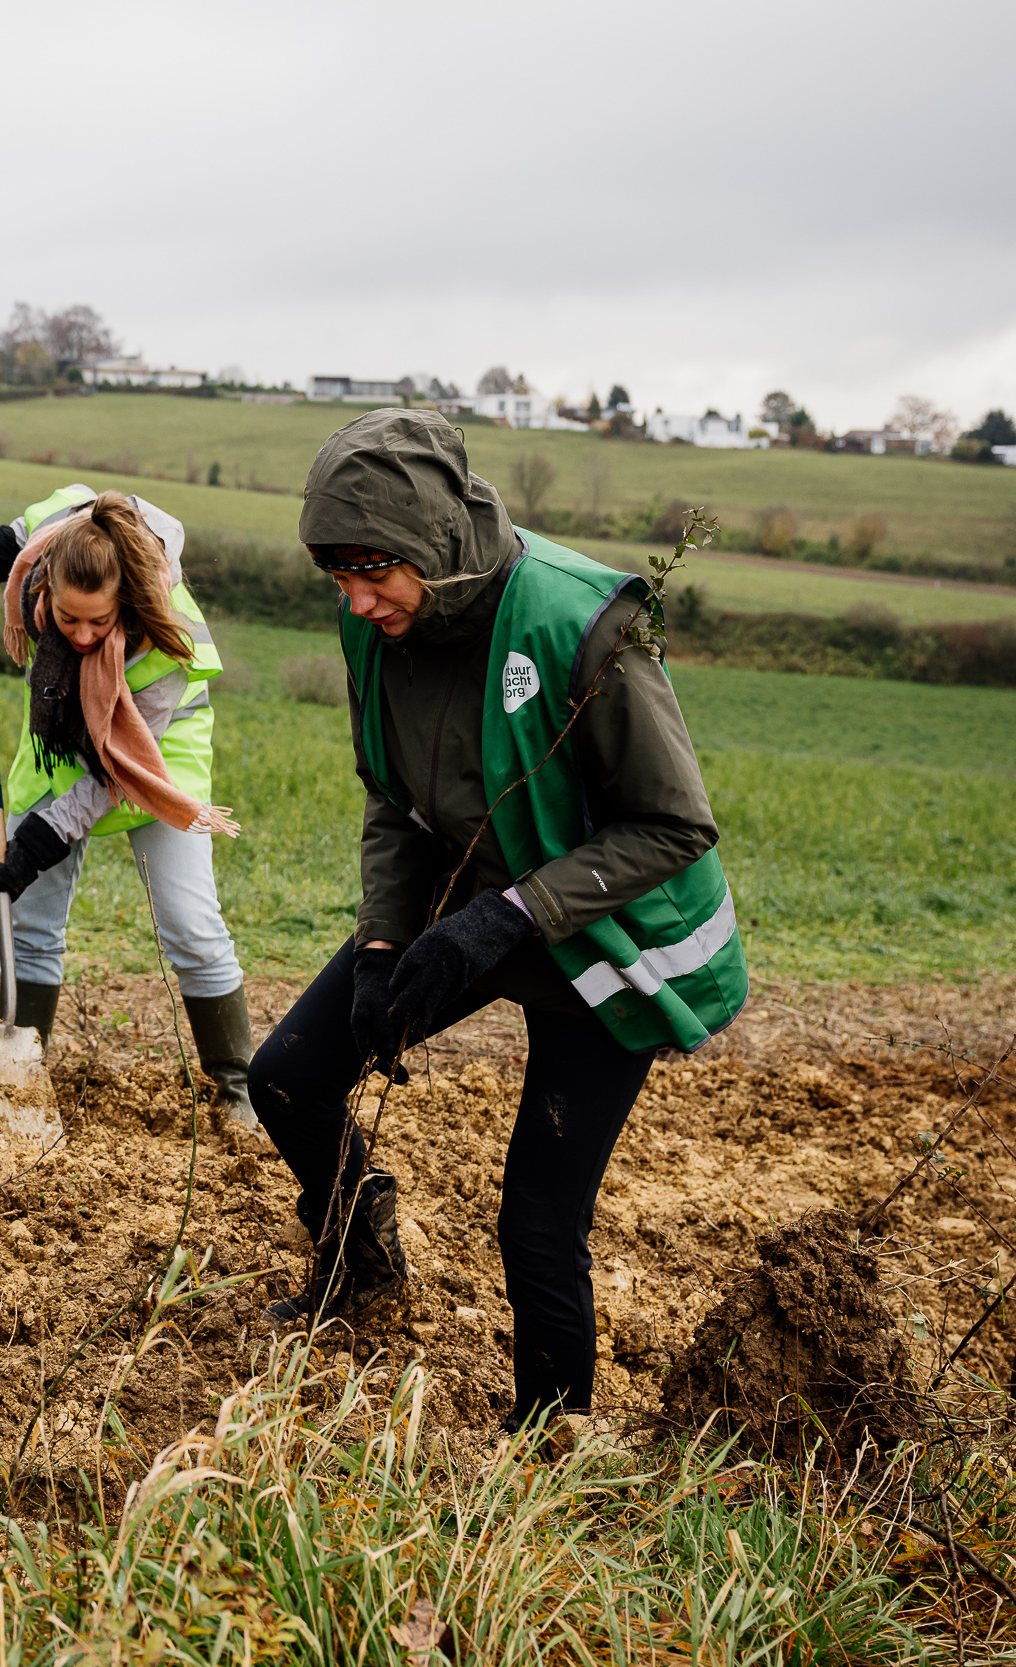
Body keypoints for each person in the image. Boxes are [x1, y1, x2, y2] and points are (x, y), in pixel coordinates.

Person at [249, 409, 745, 1435]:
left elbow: (673, 823)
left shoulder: (580, 624)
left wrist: (509, 917)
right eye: (336, 575)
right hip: (482, 891)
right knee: (288, 1076)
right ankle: (362, 1263)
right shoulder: (371, 625)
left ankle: (548, 1442)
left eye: (372, 570)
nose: (354, 598)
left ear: (430, 538)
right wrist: (386, 947)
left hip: (609, 931)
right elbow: (391, 796)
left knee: (535, 1220)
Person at [0, 486, 256, 1129]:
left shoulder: (166, 643)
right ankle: (21, 1092)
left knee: (191, 924)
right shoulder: (44, 565)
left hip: (150, 758)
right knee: (29, 923)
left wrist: (35, 848)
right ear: (45, 584)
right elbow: (45, 513)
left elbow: (113, 778)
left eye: (97, 624)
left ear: (126, 603)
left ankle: (238, 1088)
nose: (79, 636)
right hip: (60, 744)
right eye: (65, 618)